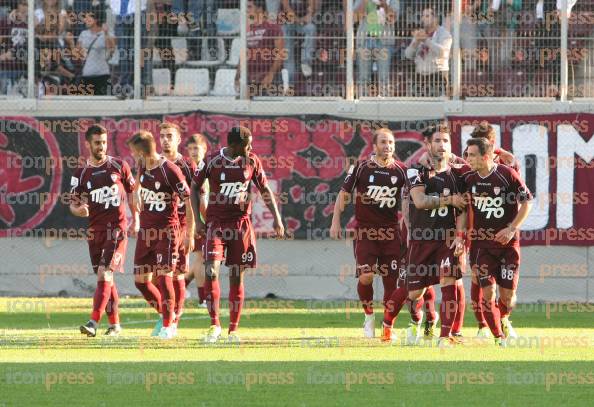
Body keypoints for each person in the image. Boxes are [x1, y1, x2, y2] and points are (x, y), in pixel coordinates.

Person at [190, 126, 284, 343]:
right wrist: (197, 221)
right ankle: (215, 325)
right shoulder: (212, 161)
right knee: (210, 270)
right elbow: (194, 187)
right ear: (233, 145)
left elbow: (264, 189)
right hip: (216, 224)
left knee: (236, 275)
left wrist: (277, 220)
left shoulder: (251, 161)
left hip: (240, 225)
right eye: (246, 144)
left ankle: (233, 330)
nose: (250, 147)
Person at [330, 128, 407, 339]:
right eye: (383, 142)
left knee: (392, 283)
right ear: (374, 146)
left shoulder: (401, 170)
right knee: (366, 276)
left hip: (391, 233)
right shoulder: (361, 167)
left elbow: (414, 198)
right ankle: (369, 315)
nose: (388, 146)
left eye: (391, 142)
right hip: (365, 231)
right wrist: (336, 220)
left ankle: (387, 326)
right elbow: (343, 194)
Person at [401, 123, 469, 346]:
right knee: (414, 294)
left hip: (447, 240)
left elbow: (462, 209)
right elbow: (420, 202)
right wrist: (448, 200)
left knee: (450, 282)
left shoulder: (459, 174)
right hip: (421, 239)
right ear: (427, 144)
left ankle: (445, 336)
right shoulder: (415, 171)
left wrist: (460, 236)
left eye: (446, 141)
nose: (442, 145)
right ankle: (416, 320)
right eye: (437, 141)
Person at [461, 137, 533, 346]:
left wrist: (512, 228)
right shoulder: (468, 178)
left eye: (472, 155)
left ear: (485, 157)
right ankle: (498, 337)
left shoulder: (506, 175)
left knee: (508, 296)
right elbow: (463, 209)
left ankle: (503, 318)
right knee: (488, 291)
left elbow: (527, 202)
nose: (468, 159)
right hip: (481, 246)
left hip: (508, 246)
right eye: (466, 154)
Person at [70, 124, 136, 337]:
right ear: (88, 144)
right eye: (97, 143)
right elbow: (73, 203)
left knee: (104, 273)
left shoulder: (119, 165)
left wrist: (137, 218)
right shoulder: (81, 173)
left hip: (117, 229)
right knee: (107, 279)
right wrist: (78, 210)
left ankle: (93, 322)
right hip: (95, 232)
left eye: (105, 142)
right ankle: (115, 325)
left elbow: (133, 192)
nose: (102, 146)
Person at [127, 130, 192, 339]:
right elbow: (137, 185)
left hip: (167, 231)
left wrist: (190, 233)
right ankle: (169, 315)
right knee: (141, 281)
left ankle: (167, 325)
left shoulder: (170, 170)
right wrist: (136, 196)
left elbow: (189, 200)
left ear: (141, 151)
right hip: (146, 232)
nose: (133, 156)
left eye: (134, 152)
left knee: (165, 279)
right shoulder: (142, 165)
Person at [155, 122, 196, 332]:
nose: (165, 140)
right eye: (162, 136)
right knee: (153, 277)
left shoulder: (187, 167)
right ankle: (167, 316)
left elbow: (195, 200)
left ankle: (172, 322)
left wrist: (191, 231)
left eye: (170, 136)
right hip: (155, 227)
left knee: (176, 273)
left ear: (179, 140)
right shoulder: (153, 163)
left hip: (178, 226)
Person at [238, 0, 285, 97]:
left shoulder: (273, 27)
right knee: (244, 105)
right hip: (250, 79)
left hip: (269, 79)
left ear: (259, 8)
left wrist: (270, 74)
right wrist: (237, 76)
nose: (246, 10)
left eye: (249, 7)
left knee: (268, 109)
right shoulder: (246, 28)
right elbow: (243, 55)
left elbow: (280, 54)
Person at [184, 134, 209, 306]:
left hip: (205, 219)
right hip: (197, 220)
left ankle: (180, 285)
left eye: (196, 148)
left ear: (204, 149)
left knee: (201, 260)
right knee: (202, 259)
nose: (193, 152)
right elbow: (193, 199)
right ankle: (203, 300)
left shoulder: (206, 168)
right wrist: (194, 224)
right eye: (190, 148)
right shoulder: (189, 169)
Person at [404, 5, 451, 97]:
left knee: (437, 108)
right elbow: (408, 55)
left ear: (435, 18)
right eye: (422, 16)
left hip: (437, 76)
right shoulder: (420, 33)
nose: (423, 18)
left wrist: (426, 40)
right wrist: (416, 42)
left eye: (427, 16)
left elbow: (443, 53)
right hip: (419, 76)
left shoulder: (444, 34)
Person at [353, 0, 398, 97]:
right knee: (363, 77)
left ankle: (385, 106)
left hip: (384, 42)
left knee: (384, 78)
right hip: (365, 39)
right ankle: (362, 104)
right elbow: (355, 17)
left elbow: (393, 18)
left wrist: (384, 4)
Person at [109, 0, 152, 98]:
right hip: (120, 13)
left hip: (138, 12)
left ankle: (138, 86)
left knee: (138, 52)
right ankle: (126, 86)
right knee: (124, 52)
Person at [76, 5, 115, 95]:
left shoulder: (108, 33)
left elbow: (111, 50)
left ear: (96, 19)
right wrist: (71, 44)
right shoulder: (83, 34)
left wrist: (105, 33)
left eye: (88, 17)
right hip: (87, 75)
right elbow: (77, 56)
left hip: (103, 75)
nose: (85, 20)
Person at [279, 0, 316, 83]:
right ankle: (290, 75)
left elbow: (311, 8)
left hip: (302, 23)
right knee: (284, 31)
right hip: (287, 23)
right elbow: (286, 8)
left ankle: (306, 63)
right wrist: (298, 20)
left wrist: (307, 16)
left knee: (311, 28)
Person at [0, 0, 28, 95]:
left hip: (23, 69)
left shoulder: (31, 24)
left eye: (27, 5)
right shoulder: (6, 21)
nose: (24, 7)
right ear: (16, 5)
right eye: (22, 4)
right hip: (6, 68)